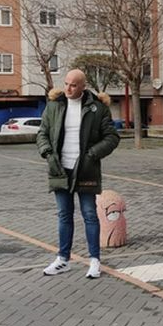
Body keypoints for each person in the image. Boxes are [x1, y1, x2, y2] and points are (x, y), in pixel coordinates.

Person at [37, 69, 120, 279]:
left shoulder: (97, 108)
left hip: (86, 169)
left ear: (83, 86)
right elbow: (42, 133)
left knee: (90, 215)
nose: (68, 88)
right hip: (60, 169)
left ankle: (95, 261)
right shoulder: (54, 106)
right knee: (64, 215)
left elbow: (112, 137)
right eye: (66, 83)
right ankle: (63, 259)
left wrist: (92, 154)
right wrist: (48, 153)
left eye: (73, 85)